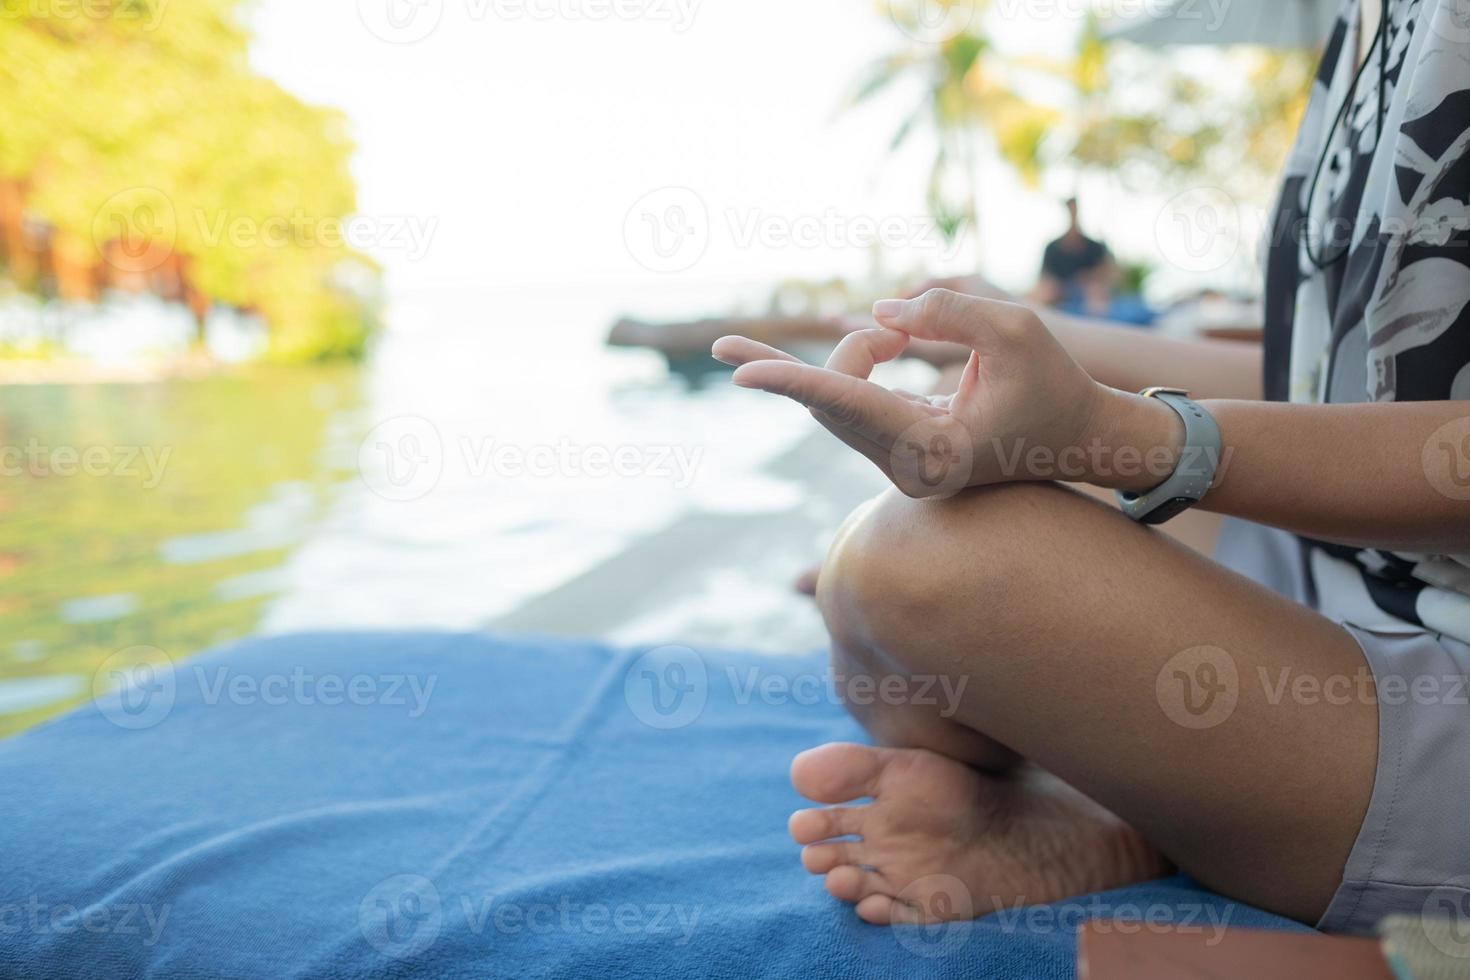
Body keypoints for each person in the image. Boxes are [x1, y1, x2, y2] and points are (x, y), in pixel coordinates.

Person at [712, 0, 1470, 934]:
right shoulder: (1368, 21)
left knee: (909, 568)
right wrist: (1049, 351)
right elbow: (1328, 391)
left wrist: (1112, 433)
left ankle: (1130, 818)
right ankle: (1168, 806)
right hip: (1345, 569)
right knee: (908, 566)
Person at [1029, 196, 1118, 316]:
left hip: (1087, 293)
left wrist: (1088, 278)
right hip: (1058, 293)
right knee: (1041, 293)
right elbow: (1045, 278)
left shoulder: (1095, 247)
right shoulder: (1052, 247)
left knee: (1096, 294)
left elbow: (1108, 273)